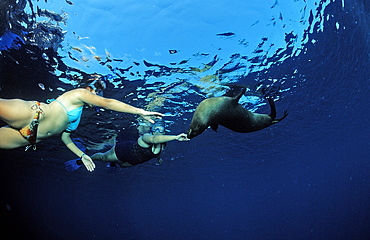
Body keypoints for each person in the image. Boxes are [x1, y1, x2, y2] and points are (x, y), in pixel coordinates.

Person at [0, 76, 163, 171]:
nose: (99, 96)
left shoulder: (77, 117)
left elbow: (66, 139)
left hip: (29, 137)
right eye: (99, 91)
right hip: (33, 114)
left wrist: (82, 155)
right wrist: (140, 111)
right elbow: (107, 103)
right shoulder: (79, 94)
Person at [64, 119, 189, 172]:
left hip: (134, 160)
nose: (157, 131)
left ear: (164, 131)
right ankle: (81, 160)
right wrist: (176, 137)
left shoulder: (163, 143)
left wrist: (158, 158)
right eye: (155, 128)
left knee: (121, 166)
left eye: (160, 129)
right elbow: (155, 139)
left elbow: (159, 145)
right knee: (103, 157)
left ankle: (113, 163)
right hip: (124, 150)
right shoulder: (147, 137)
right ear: (151, 130)